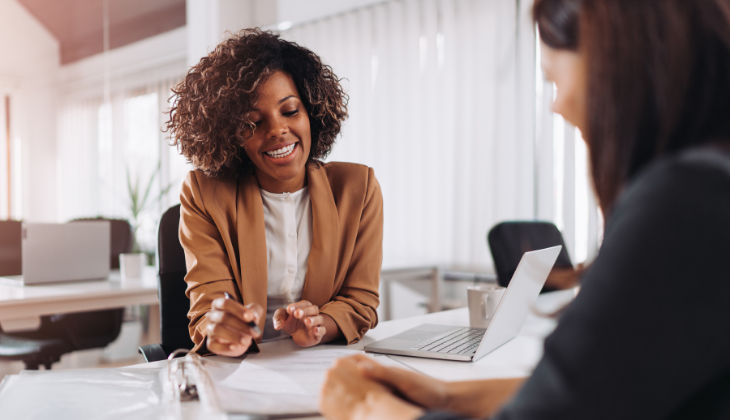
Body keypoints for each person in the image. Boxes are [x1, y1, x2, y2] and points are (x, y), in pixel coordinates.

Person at [319, 0, 730, 418]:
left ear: (617, 62)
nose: (558, 105)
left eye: (554, 79)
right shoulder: (709, 185)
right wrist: (447, 398)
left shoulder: (687, 200)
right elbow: (593, 393)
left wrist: (366, 408)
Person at [165, 29, 383, 356]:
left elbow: (360, 301)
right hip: (239, 371)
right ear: (231, 136)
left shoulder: (358, 188)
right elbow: (208, 308)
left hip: (321, 365)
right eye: (252, 123)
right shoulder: (203, 193)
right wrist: (221, 329)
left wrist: (320, 326)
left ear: (311, 111)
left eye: (290, 111)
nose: (277, 131)